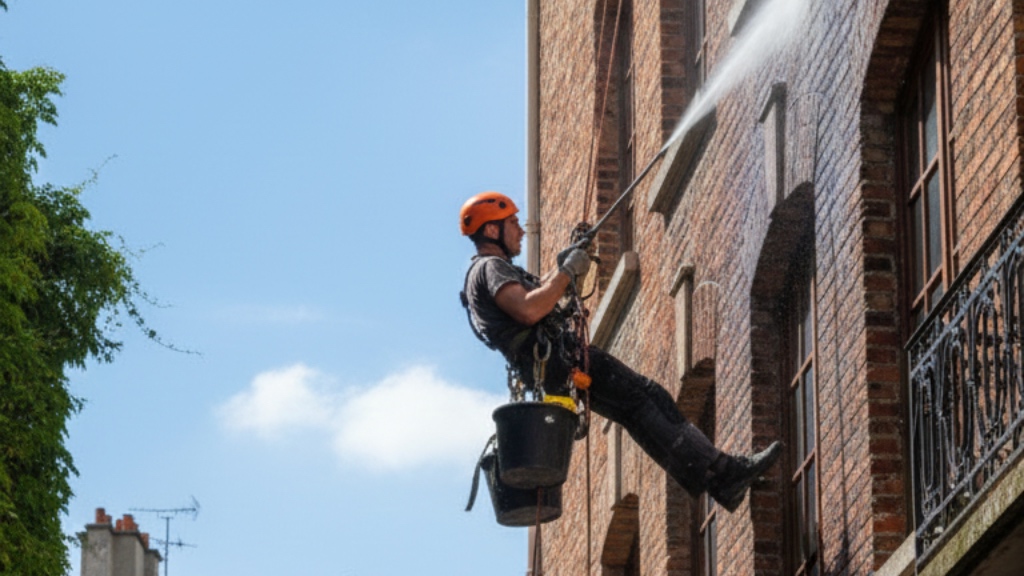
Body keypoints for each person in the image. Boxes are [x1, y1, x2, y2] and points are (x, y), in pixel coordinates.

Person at [459, 191, 781, 512]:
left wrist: (568, 261)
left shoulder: (489, 273)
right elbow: (530, 310)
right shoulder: (491, 268)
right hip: (557, 361)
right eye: (513, 223)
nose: (521, 230)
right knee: (644, 400)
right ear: (491, 230)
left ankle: (720, 478)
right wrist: (568, 271)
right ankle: (724, 475)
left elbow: (542, 294)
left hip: (555, 364)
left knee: (640, 407)